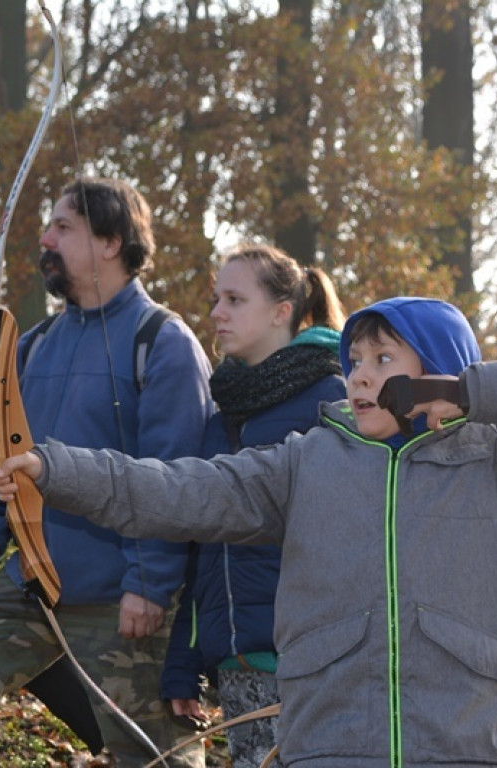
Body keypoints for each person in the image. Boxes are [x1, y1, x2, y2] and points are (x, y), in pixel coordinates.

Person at [0, 296, 497, 768]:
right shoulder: (305, 462)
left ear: (438, 371)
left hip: (471, 746)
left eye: (383, 360)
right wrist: (52, 469)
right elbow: (175, 490)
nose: (357, 377)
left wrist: (471, 392)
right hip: (330, 745)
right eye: (353, 361)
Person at [0, 177, 212, 767]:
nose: (45, 238)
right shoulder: (32, 346)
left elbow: (178, 480)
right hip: (34, 582)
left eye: (63, 227)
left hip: (127, 595)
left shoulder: (161, 343)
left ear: (111, 242)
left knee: (155, 755)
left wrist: (150, 584)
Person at [163, 244, 346, 768]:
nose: (216, 312)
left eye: (235, 299)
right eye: (216, 298)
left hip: (313, 664)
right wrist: (184, 661)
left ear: (281, 311)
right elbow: (200, 546)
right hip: (236, 664)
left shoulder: (332, 401)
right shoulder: (220, 418)